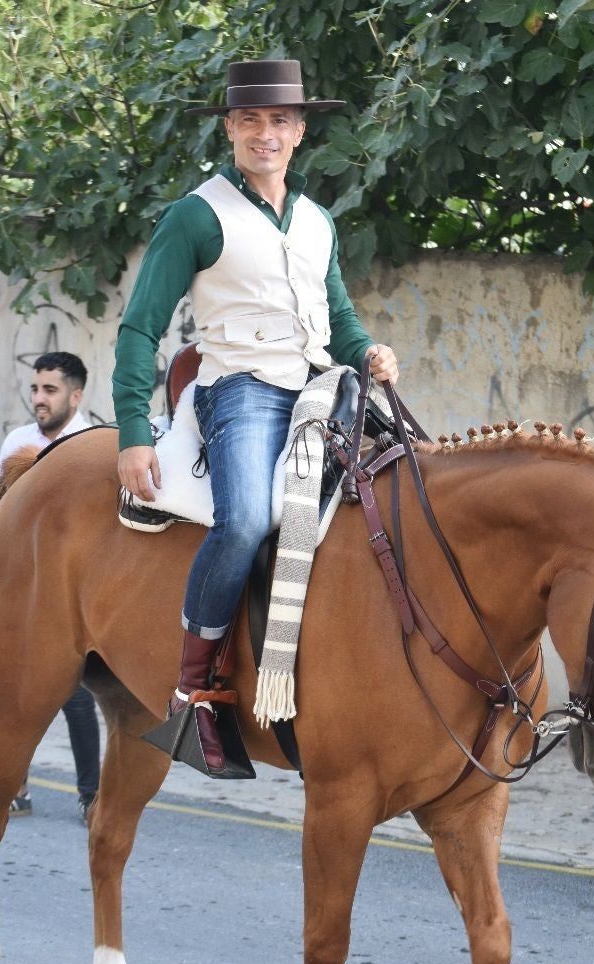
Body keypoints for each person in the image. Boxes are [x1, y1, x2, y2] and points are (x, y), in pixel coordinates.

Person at [113, 58, 399, 777]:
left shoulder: (317, 221)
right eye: (249, 120)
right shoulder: (198, 214)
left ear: (300, 132)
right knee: (243, 520)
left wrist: (370, 354)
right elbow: (139, 327)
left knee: (395, 496)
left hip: (320, 389)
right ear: (231, 130)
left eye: (279, 121)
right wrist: (131, 432)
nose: (264, 133)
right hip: (240, 390)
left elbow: (339, 320)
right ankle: (195, 687)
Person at [0, 352, 101, 822]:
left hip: (66, 597)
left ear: (75, 395)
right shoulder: (19, 440)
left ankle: (91, 795)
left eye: (50, 390)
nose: (39, 399)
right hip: (14, 588)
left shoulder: (90, 446)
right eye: (35, 389)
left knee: (75, 698)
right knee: (6, 690)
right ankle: (15, 787)